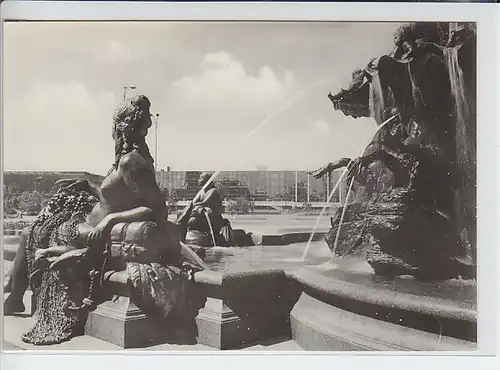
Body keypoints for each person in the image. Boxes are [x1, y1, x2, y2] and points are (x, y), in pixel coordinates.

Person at [4, 95, 204, 345]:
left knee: (30, 232)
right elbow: (114, 199)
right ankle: (13, 289)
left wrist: (108, 221)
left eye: (112, 124)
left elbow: (156, 211)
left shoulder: (133, 161)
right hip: (91, 223)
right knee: (42, 224)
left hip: (94, 230)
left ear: (121, 127)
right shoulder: (126, 159)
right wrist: (88, 187)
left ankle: (14, 296)